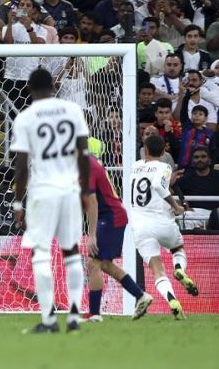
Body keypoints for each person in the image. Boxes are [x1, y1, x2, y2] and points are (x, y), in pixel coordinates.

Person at [10, 67, 90, 333]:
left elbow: (21, 167)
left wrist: (18, 203)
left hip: (43, 192)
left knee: (41, 252)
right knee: (71, 251)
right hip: (69, 190)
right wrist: (85, 191)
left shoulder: (25, 118)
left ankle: (48, 319)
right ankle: (75, 315)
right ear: (54, 87)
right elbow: (83, 154)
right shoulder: (73, 110)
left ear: (30, 89)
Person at [130, 134, 198, 320]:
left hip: (140, 225)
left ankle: (172, 300)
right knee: (177, 249)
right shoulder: (164, 166)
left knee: (157, 269)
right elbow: (158, 186)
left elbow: (148, 185)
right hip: (161, 221)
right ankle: (179, 268)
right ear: (164, 150)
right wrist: (176, 206)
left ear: (145, 149)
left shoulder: (135, 166)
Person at [83, 153, 153, 322]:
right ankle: (141, 295)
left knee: (93, 262)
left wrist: (91, 235)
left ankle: (94, 314)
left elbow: (92, 201)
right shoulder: (86, 161)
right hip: (111, 215)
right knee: (105, 264)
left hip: (110, 216)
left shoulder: (86, 164)